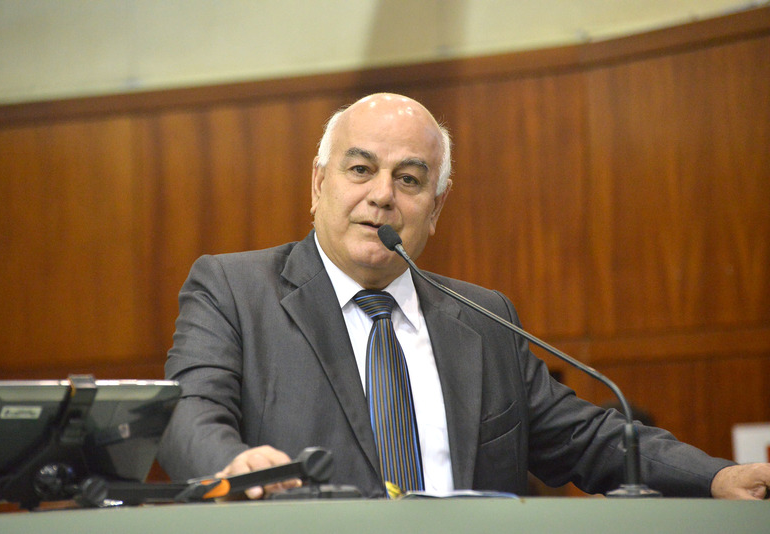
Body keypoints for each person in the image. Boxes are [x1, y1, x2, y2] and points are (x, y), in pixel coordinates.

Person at [157, 93, 770, 500]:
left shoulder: (484, 319)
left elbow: (587, 438)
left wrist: (718, 476)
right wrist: (232, 465)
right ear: (319, 185)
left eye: (408, 179)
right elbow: (187, 415)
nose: (381, 195)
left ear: (436, 206)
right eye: (360, 169)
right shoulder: (235, 290)